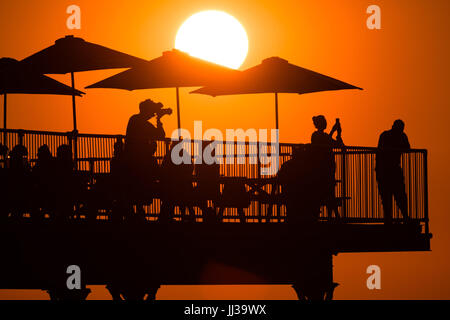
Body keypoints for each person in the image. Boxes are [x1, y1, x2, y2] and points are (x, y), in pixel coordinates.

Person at [376, 119, 410, 224]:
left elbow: (407, 148)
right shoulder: (387, 135)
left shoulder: (398, 136)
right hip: (385, 170)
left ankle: (402, 217)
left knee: (398, 195)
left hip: (390, 170)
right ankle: (391, 219)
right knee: (389, 196)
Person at [277, 144, 322, 224]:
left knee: (291, 202)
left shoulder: (286, 165)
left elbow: (279, 178)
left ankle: (291, 218)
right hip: (304, 195)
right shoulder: (308, 166)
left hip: (289, 194)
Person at [310, 115, 343, 219]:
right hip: (321, 169)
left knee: (330, 192)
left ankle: (332, 216)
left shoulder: (324, 136)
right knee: (327, 192)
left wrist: (339, 133)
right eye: (323, 122)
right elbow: (325, 142)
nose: (325, 124)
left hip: (328, 168)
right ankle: (334, 216)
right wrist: (333, 131)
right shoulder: (315, 135)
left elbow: (338, 145)